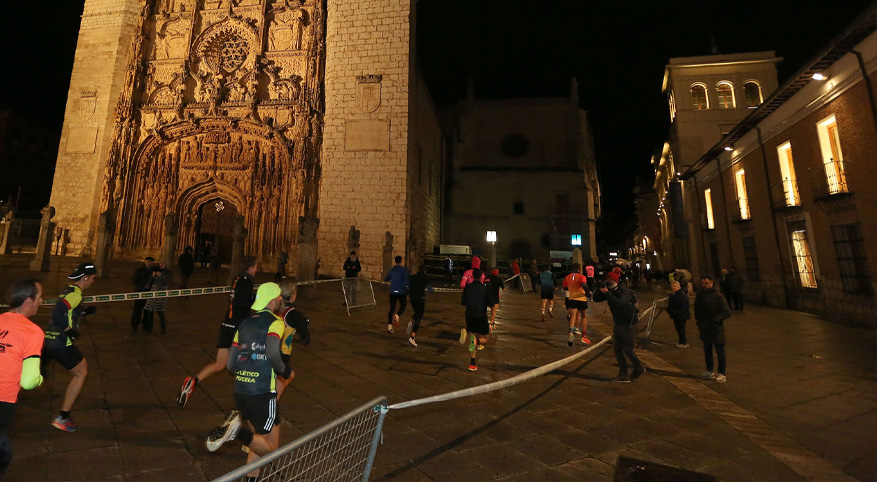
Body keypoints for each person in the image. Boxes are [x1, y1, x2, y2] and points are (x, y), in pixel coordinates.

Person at [205, 283, 293, 478]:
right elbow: (271, 353)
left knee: (258, 441)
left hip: (241, 390)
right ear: (272, 300)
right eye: (279, 297)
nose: (281, 300)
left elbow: (229, 364)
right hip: (261, 393)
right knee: (271, 451)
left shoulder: (244, 324)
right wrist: (284, 371)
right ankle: (236, 433)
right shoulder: (276, 322)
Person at [178, 256, 257, 408]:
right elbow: (243, 302)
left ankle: (193, 381)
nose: (256, 269)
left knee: (220, 364)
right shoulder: (246, 281)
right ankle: (248, 397)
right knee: (245, 362)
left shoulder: (237, 278)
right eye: (256, 266)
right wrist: (255, 298)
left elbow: (235, 300)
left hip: (226, 324)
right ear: (251, 267)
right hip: (236, 327)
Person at [44, 263, 97, 431]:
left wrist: (84, 312)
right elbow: (57, 313)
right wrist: (69, 331)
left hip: (49, 339)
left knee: (31, 376)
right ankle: (63, 418)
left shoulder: (69, 290)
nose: (93, 281)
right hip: (60, 342)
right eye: (92, 278)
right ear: (85, 278)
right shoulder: (76, 295)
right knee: (81, 372)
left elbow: (67, 311)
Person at [0, 279, 45, 474]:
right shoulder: (33, 332)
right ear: (28, 301)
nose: (41, 301)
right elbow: (28, 381)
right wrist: (40, 379)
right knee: (3, 454)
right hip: (3, 399)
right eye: (40, 297)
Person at [593, 271, 645, 383]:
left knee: (628, 350)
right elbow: (596, 299)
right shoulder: (610, 291)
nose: (608, 282)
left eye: (609, 281)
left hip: (629, 325)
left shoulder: (624, 292)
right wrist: (600, 288)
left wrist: (607, 293)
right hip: (619, 324)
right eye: (607, 281)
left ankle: (639, 367)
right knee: (617, 349)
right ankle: (623, 374)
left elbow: (620, 304)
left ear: (615, 281)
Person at [276, 281, 310, 399]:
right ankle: (270, 407)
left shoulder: (273, 308)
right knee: (288, 375)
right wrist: (303, 325)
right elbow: (306, 339)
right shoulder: (294, 314)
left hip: (265, 349)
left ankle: (271, 405)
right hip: (282, 353)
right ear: (293, 295)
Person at [695, 276, 731, 382]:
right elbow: (697, 309)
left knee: (720, 350)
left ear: (712, 283)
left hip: (716, 328)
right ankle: (709, 370)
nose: (704, 285)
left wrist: (715, 320)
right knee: (707, 350)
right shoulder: (700, 295)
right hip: (704, 327)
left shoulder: (718, 296)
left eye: (706, 283)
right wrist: (699, 321)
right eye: (702, 283)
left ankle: (722, 373)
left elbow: (726, 312)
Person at [460, 269, 490, 372]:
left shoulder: (468, 287)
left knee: (472, 337)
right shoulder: (484, 288)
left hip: (470, 314)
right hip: (481, 315)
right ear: (481, 276)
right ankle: (477, 342)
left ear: (472, 276)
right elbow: (491, 302)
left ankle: (472, 363)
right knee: (485, 339)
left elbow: (463, 302)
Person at [562, 264, 590, 346]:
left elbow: (564, 288)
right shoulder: (582, 276)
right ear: (579, 269)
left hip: (572, 299)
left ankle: (570, 335)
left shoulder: (567, 277)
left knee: (572, 318)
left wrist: (571, 288)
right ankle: (584, 337)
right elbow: (584, 285)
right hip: (581, 299)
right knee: (584, 317)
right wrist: (588, 293)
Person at [406, 265, 433, 346]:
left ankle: (411, 321)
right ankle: (412, 337)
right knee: (419, 317)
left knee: (417, 312)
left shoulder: (412, 277)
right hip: (420, 299)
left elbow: (407, 287)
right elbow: (430, 290)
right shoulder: (425, 278)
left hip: (412, 299)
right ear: (425, 271)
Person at [384, 256, 409, 334]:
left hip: (393, 292)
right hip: (401, 291)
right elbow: (406, 280)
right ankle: (397, 315)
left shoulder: (392, 270)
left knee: (392, 308)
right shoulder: (404, 270)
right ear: (401, 261)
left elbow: (386, 279)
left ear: (395, 261)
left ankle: (389, 326)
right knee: (403, 305)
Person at [143, 264, 169, 334]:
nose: (161, 265)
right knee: (150, 311)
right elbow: (149, 281)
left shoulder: (167, 273)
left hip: (160, 295)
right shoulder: (155, 270)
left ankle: (163, 329)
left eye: (163, 264)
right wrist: (153, 276)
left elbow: (165, 282)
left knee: (160, 312)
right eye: (160, 264)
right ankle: (149, 328)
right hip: (153, 293)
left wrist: (161, 276)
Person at [130, 256, 154, 331]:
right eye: (148, 262)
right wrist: (143, 285)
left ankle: (146, 325)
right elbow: (134, 280)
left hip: (149, 293)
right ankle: (135, 324)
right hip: (139, 292)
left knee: (148, 310)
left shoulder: (153, 271)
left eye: (150, 262)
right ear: (145, 262)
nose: (149, 263)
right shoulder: (139, 270)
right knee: (137, 310)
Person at [666, 280, 690, 348]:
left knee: (681, 329)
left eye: (675, 286)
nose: (673, 287)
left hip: (681, 316)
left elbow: (684, 307)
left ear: (679, 286)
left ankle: (684, 342)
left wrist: (677, 314)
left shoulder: (682, 295)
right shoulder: (673, 294)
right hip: (676, 315)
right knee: (678, 329)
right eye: (672, 286)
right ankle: (681, 341)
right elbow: (670, 304)